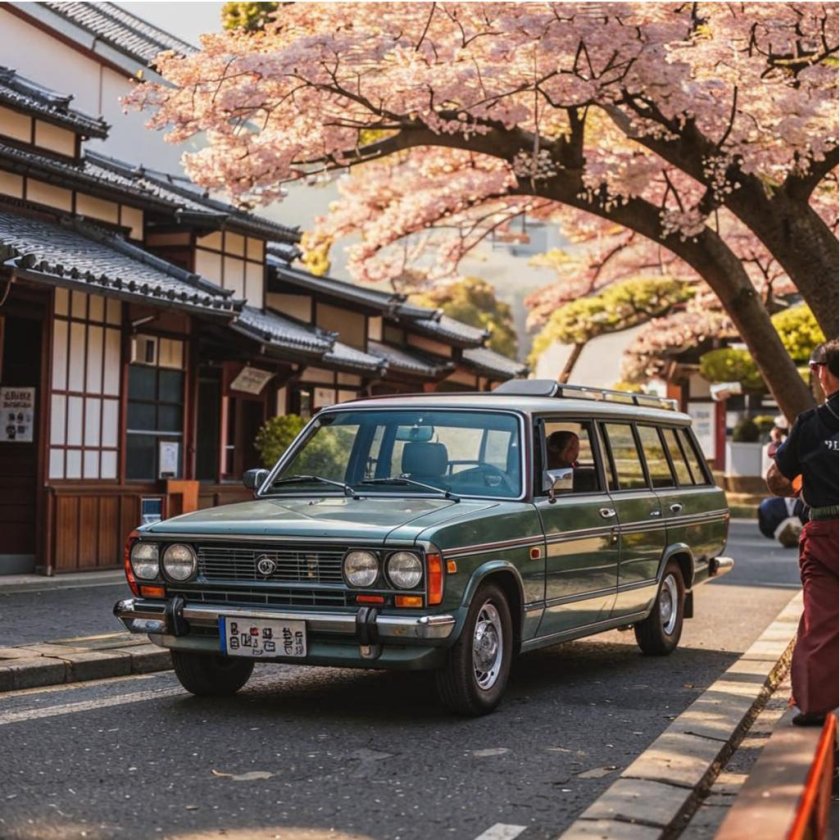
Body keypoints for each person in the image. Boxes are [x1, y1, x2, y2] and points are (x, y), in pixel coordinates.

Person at [769, 339, 839, 726]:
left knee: (821, 619)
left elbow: (777, 479)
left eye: (815, 368)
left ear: (823, 372)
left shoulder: (810, 424)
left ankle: (814, 705)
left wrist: (799, 482)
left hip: (826, 531)